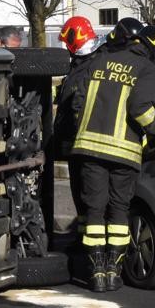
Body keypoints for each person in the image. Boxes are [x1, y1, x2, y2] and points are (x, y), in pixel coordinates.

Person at [71, 17, 155, 293]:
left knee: (94, 210)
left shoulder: (99, 60)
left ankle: (96, 274)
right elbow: (141, 110)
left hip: (89, 148)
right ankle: (114, 272)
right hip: (123, 153)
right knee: (118, 210)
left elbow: (77, 101)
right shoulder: (147, 68)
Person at [53, 16, 105, 245]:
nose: (67, 48)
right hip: (72, 143)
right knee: (79, 194)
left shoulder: (93, 63)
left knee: (88, 196)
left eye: (68, 42)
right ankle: (82, 236)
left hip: (85, 143)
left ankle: (90, 242)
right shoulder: (78, 64)